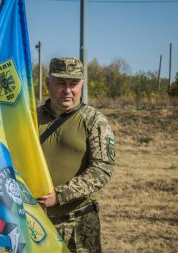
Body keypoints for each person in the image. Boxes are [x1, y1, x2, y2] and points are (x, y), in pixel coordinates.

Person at [36, 57, 116, 253]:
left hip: (79, 223)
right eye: (60, 83)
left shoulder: (93, 121)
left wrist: (60, 195)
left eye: (73, 84)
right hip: (36, 222)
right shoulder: (31, 118)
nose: (67, 90)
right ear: (48, 84)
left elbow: (101, 170)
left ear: (82, 84)